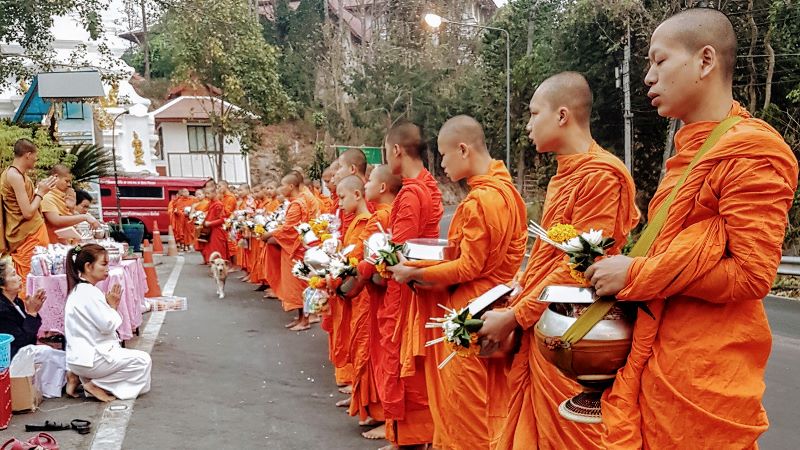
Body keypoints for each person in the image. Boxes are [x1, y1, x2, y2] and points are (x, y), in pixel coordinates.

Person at [584, 8, 798, 448]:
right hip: (658, 359)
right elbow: (675, 252)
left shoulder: (750, 152)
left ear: (705, 61)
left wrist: (636, 275)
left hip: (707, 376)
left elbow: (753, 274)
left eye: (658, 61)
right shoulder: (688, 152)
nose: (647, 77)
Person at [476, 72, 639, 449]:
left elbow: (579, 267)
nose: (529, 125)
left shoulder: (600, 175)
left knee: (569, 436)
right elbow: (552, 255)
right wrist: (521, 288)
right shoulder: (566, 174)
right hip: (546, 321)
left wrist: (515, 316)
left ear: (562, 115)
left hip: (576, 335)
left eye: (534, 114)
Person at [388, 116, 528, 449]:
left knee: (462, 410)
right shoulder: (508, 192)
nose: (442, 165)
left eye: (444, 155)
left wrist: (415, 273)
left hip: (470, 311)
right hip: (495, 303)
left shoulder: (482, 200)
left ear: (463, 149)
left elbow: (468, 266)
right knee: (488, 404)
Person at [375, 122, 442, 450]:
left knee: (402, 362)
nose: (388, 158)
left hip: (405, 290)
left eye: (387, 151)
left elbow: (401, 250)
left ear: (397, 150)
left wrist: (379, 257)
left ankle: (410, 439)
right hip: (418, 283)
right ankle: (410, 436)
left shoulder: (412, 193)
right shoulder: (427, 186)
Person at [352, 164, 402, 441]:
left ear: (382, 188)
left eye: (369, 180)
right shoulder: (386, 215)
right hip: (379, 295)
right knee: (376, 354)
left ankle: (388, 417)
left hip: (385, 297)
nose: (366, 183)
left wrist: (351, 276)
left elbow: (372, 260)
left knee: (385, 356)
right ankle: (377, 410)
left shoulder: (382, 218)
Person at [64, 244, 152, 401]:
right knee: (143, 361)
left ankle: (77, 376)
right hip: (91, 360)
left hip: (78, 359)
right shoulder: (89, 293)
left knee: (136, 362)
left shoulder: (80, 290)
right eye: (103, 264)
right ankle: (96, 384)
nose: (107, 269)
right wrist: (112, 307)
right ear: (88, 267)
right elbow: (108, 325)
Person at [0, 258, 79, 398]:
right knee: (45, 353)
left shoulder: (16, 301)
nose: (19, 278)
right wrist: (31, 313)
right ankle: (71, 376)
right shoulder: (2, 309)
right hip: (10, 360)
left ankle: (74, 375)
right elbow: (23, 344)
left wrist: (32, 312)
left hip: (23, 351)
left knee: (55, 354)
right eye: (13, 275)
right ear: (2, 286)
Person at [261, 173, 319, 331]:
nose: (280, 189)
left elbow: (289, 230)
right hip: (292, 248)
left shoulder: (297, 204)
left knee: (299, 286)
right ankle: (300, 317)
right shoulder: (296, 202)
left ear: (291, 186)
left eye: (282, 185)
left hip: (295, 249)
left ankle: (305, 320)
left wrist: (269, 234)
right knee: (294, 285)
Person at [0, 139, 57, 297]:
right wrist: (41, 192)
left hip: (32, 232)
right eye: (35, 156)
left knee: (38, 276)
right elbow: (27, 212)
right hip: (26, 234)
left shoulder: (18, 175)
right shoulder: (14, 176)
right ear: (28, 155)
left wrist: (39, 189)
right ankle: (28, 314)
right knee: (28, 278)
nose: (36, 160)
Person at [41, 164, 100, 243]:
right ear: (55, 177)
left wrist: (71, 209)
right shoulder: (47, 196)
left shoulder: (63, 196)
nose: (69, 185)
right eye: (66, 181)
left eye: (70, 182)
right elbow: (56, 220)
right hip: (53, 245)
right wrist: (85, 217)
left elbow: (69, 222)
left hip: (67, 243)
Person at [201, 187, 229, 264]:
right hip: (211, 229)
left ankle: (221, 269)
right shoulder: (211, 203)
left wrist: (210, 223)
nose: (206, 195)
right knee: (211, 248)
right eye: (206, 193)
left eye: (208, 193)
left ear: (214, 193)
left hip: (217, 230)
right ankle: (214, 267)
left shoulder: (218, 204)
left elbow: (223, 219)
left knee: (217, 249)